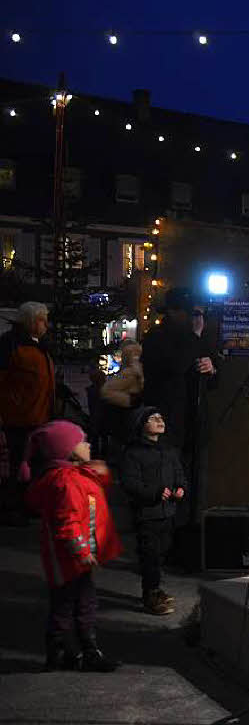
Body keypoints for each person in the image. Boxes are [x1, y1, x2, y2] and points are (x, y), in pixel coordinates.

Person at [22, 420, 121, 672]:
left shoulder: (75, 475)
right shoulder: (65, 481)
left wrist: (101, 473)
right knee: (67, 605)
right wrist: (82, 551)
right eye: (82, 441)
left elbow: (95, 492)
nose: (88, 444)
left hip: (76, 559)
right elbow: (67, 522)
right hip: (68, 560)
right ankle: (65, 651)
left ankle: (78, 651)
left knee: (82, 602)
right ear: (67, 450)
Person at [142, 288, 217, 568]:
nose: (198, 319)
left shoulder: (196, 339)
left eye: (200, 314)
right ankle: (160, 549)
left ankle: (184, 546)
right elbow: (175, 366)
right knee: (167, 488)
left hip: (193, 424)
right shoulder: (157, 339)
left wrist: (212, 368)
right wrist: (196, 339)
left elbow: (212, 378)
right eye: (193, 314)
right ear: (175, 312)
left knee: (191, 488)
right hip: (167, 425)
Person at [120, 406, 185, 616]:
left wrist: (181, 487)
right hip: (147, 514)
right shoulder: (133, 453)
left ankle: (156, 588)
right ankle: (151, 594)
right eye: (153, 418)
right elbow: (130, 484)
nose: (160, 420)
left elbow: (179, 473)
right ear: (141, 425)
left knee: (162, 552)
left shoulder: (168, 450)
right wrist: (155, 492)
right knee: (150, 555)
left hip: (168, 513)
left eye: (161, 417)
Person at [0, 302, 55, 525]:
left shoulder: (38, 346)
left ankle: (27, 504)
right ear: (32, 322)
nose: (46, 325)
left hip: (37, 417)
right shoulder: (11, 346)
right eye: (43, 320)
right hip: (19, 418)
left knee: (32, 464)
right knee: (16, 466)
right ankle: (12, 508)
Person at [99, 340, 144, 451]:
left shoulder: (129, 372)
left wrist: (128, 400)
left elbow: (106, 391)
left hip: (126, 414)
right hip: (131, 413)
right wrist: (130, 400)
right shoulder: (134, 372)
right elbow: (107, 391)